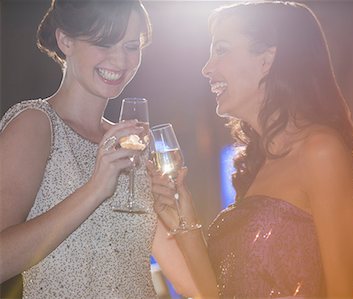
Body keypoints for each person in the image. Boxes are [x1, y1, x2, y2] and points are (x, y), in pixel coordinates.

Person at [149, 1, 353, 298]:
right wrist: (182, 214)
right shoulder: (256, 163)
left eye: (221, 50)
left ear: (267, 61)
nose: (206, 68)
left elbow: (345, 292)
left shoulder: (320, 151)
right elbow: (217, 293)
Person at [0, 0, 207, 298]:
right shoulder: (35, 124)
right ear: (65, 40)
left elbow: (195, 287)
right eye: (105, 42)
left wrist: (182, 214)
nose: (120, 61)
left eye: (131, 46)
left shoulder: (131, 146)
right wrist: (96, 188)